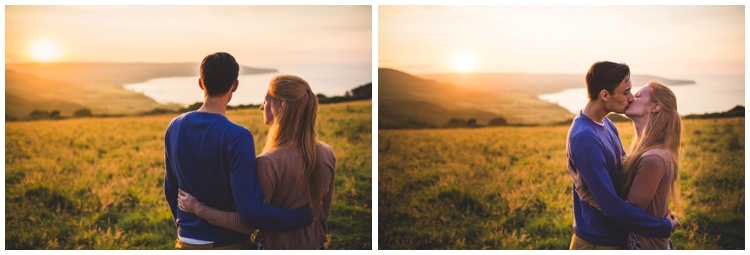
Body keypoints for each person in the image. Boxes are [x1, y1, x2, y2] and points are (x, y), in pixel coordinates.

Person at [164, 53, 313, 250]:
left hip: (186, 242)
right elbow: (251, 213)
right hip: (228, 244)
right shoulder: (238, 136)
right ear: (235, 85)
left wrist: (186, 227)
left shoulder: (175, 126)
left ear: (201, 83)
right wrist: (304, 216)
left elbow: (170, 189)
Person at [566, 61, 680, 249]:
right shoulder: (585, 138)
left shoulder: (608, 125)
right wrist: (662, 227)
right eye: (626, 92)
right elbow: (613, 208)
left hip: (616, 239)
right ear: (605, 95)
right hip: (597, 243)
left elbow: (623, 179)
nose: (630, 98)